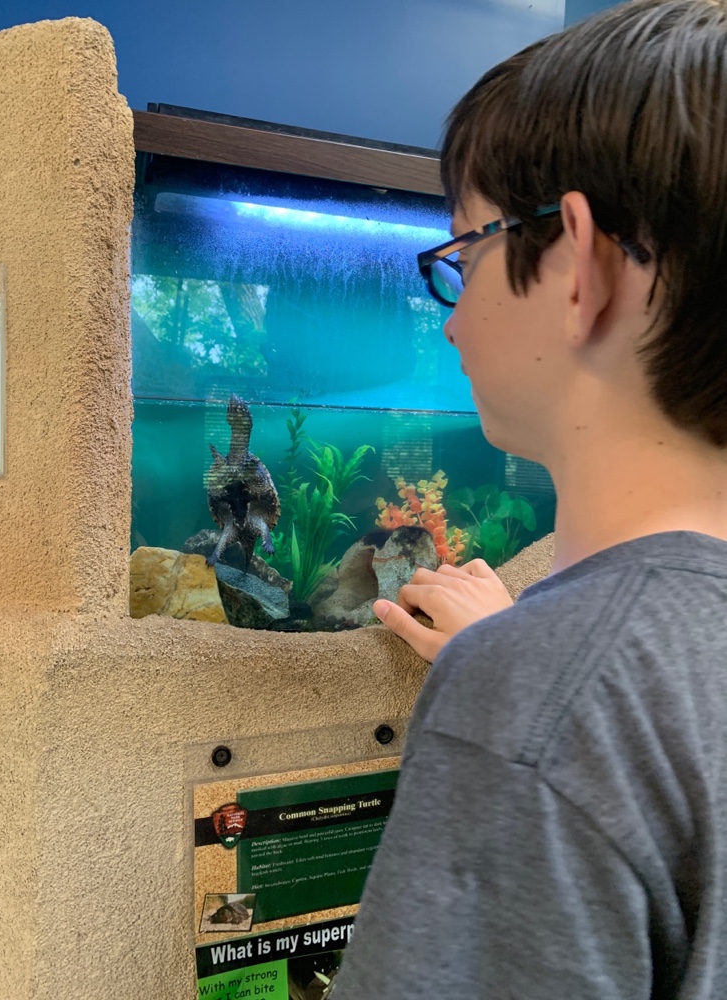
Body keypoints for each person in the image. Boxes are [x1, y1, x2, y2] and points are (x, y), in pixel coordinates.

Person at [331, 1, 727, 996]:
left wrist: (528, 683)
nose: (454, 320)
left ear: (580, 263)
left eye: (466, 254)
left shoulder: (542, 694)